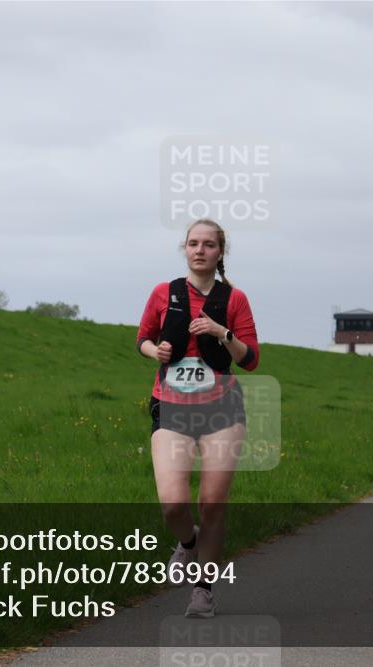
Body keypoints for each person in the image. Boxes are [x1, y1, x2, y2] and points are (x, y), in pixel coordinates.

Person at [136, 218, 259, 618]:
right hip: (171, 406)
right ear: (184, 249)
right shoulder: (163, 292)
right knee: (173, 503)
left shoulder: (234, 298)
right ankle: (187, 545)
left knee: (212, 503)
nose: (200, 250)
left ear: (220, 252)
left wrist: (222, 332)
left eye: (208, 244)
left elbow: (251, 359)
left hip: (221, 408)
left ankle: (203, 590)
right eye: (193, 243)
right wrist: (154, 352)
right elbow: (142, 339)